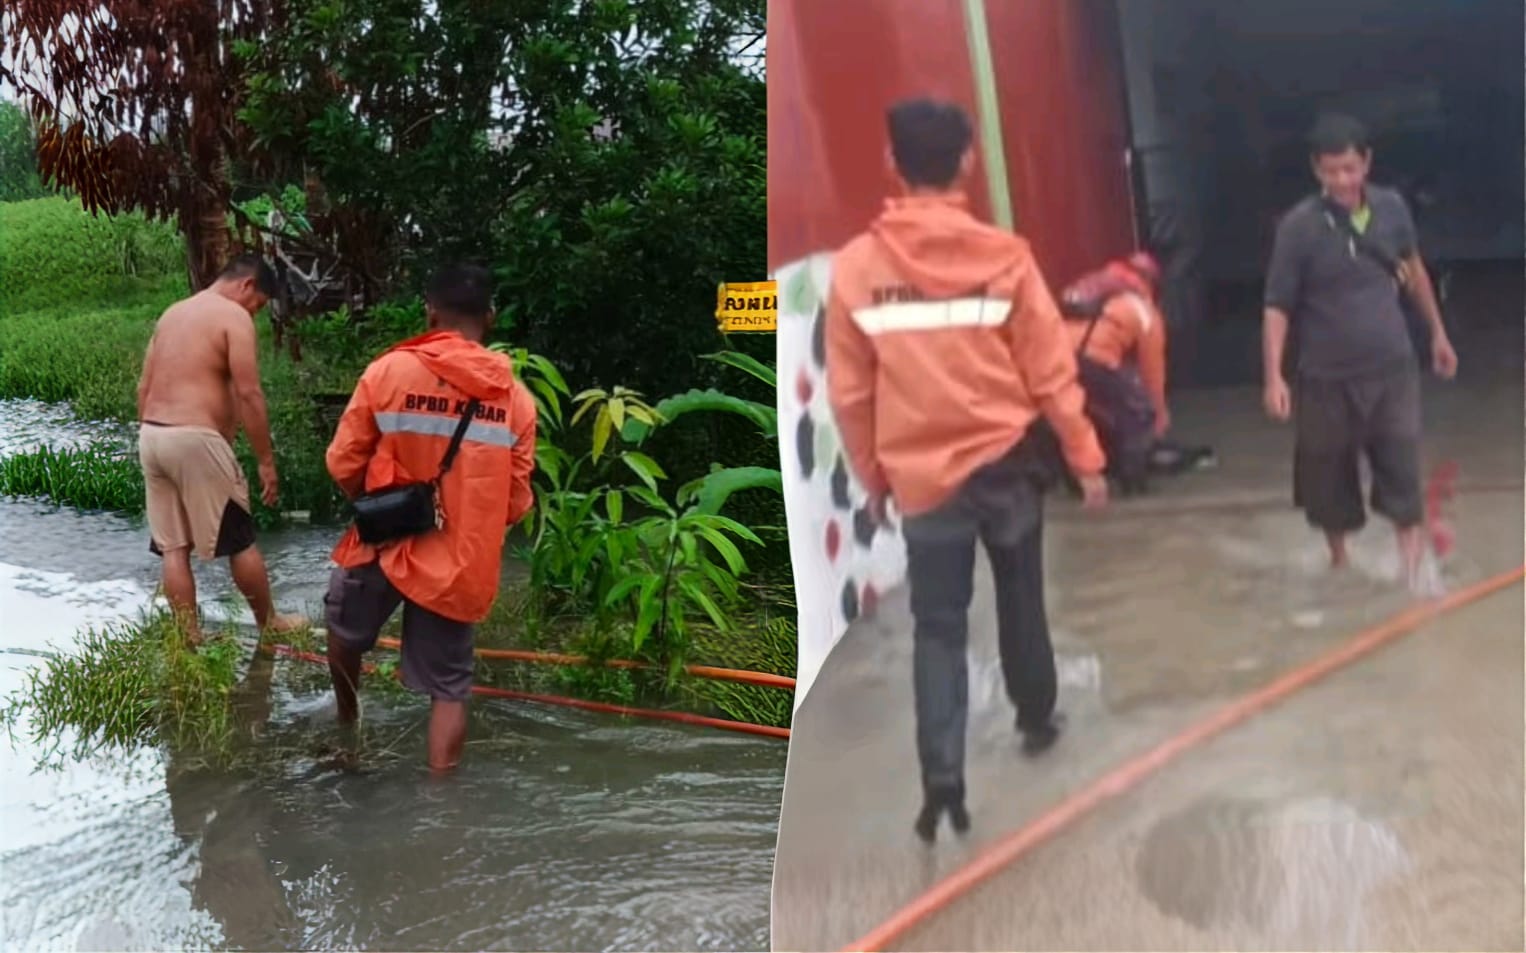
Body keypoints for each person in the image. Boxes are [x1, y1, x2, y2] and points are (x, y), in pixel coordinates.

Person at [824, 97, 1108, 843]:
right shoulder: (1004, 257)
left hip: (924, 480)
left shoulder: (858, 268)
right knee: (1022, 598)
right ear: (969, 161)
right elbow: (1051, 374)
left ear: (892, 161)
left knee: (938, 629)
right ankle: (1037, 718)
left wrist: (875, 477)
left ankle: (942, 779)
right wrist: (1086, 456)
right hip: (1008, 463)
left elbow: (851, 393)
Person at [323, 263, 537, 773]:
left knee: (343, 632)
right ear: (490, 317)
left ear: (429, 312)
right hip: (459, 561)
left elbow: (342, 461)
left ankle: (348, 730)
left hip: (384, 539)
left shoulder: (389, 372)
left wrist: (376, 503)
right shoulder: (516, 401)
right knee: (449, 688)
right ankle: (442, 810)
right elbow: (516, 500)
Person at [1262, 113, 1458, 591]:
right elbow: (1277, 306)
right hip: (1325, 378)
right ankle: (1340, 565)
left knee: (1401, 468)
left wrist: (1438, 333)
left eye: (1350, 169)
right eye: (1331, 172)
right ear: (1316, 170)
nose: (1342, 181)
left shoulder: (1391, 209)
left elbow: (1413, 271)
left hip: (1392, 369)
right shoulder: (1297, 228)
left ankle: (1411, 574)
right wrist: (1274, 376)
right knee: (1327, 477)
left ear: (1367, 162)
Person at [136, 253, 306, 643]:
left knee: (174, 547)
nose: (256, 313)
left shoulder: (172, 313)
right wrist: (266, 460)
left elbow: (143, 389)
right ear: (247, 285)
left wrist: (153, 435)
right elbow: (249, 393)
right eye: (259, 304)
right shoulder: (233, 317)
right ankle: (270, 623)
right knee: (240, 538)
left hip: (152, 435)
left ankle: (189, 635)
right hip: (194, 439)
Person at [1060, 251, 1171, 494]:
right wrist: (1159, 413)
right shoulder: (1142, 308)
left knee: (1076, 415)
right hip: (1095, 360)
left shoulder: (1087, 286)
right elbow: (1153, 369)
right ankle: (1133, 482)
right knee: (1139, 415)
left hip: (1058, 359)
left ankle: (1076, 482)